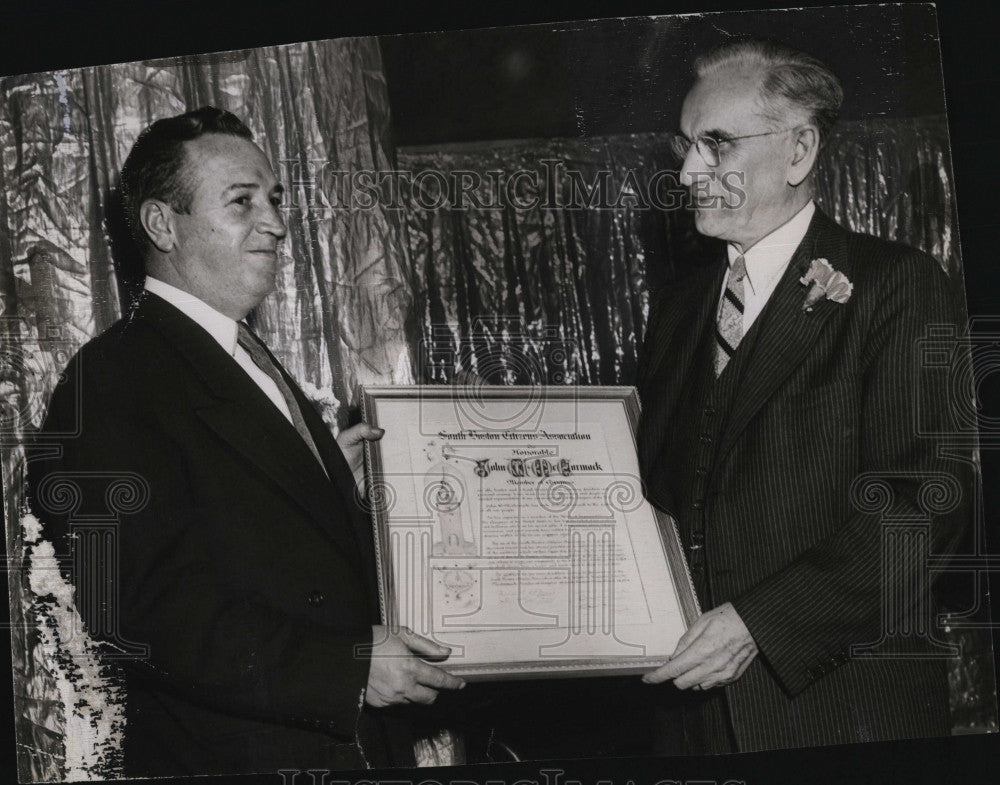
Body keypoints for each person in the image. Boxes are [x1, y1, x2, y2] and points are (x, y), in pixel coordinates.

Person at [27, 106, 464, 778]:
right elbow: (133, 608)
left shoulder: (242, 356)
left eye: (276, 198)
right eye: (242, 202)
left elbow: (244, 517)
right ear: (161, 224)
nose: (277, 223)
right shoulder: (110, 379)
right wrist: (342, 668)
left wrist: (327, 483)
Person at [636, 39, 972, 753]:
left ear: (799, 151)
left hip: (830, 709)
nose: (689, 171)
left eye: (715, 145)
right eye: (685, 145)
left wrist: (761, 622)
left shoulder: (893, 284)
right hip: (685, 717)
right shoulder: (678, 309)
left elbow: (924, 499)